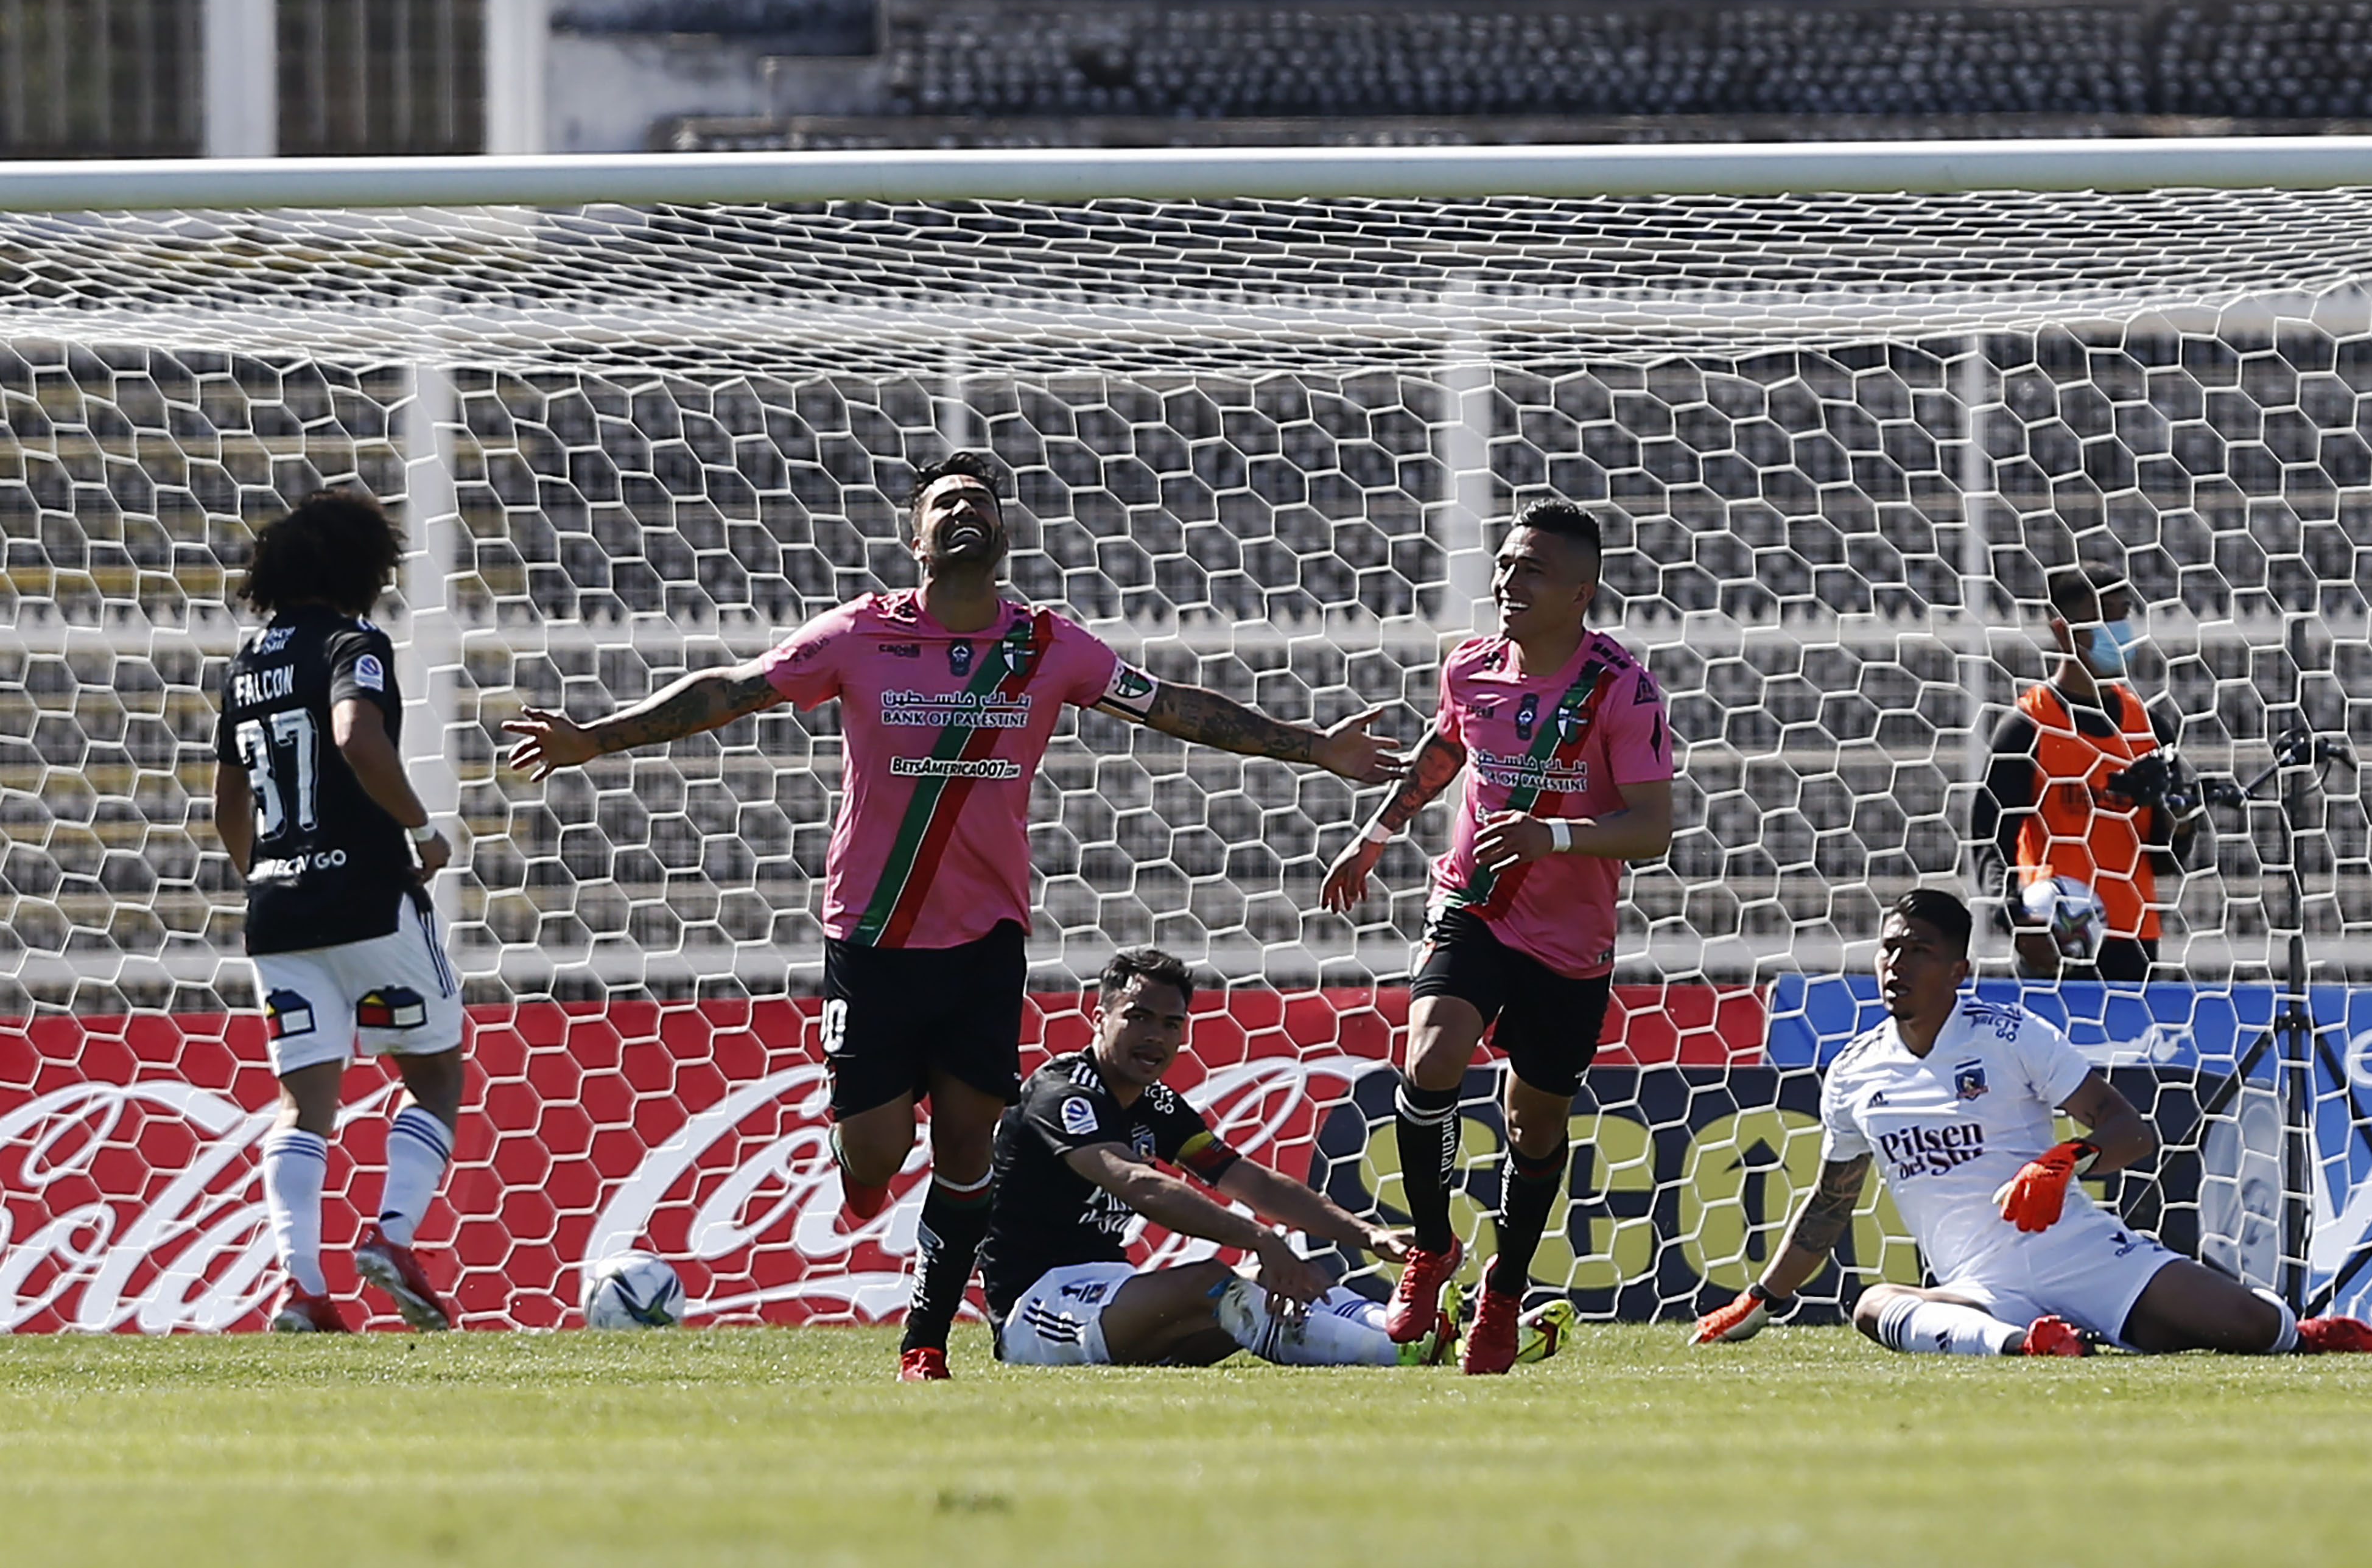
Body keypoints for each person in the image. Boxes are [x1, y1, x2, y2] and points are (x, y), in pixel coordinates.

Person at [504, 452, 1400, 1381]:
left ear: (1005, 537)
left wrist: (1313, 747)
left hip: (985, 937)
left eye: (981, 501)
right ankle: (857, 1143)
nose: (965, 510)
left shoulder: (1051, 645)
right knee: (875, 1158)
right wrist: (593, 739)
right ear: (915, 538)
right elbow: (733, 689)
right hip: (873, 934)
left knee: (969, 1141)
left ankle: (924, 1342)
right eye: (945, 502)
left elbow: (1171, 706)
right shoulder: (860, 634)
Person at [1691, 888, 2372, 1357]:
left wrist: (2063, 1161)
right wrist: (1761, 1297)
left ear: (1958, 970)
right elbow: (1830, 1201)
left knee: (2253, 1328)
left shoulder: (2010, 1033)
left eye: (1918, 951)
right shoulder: (1853, 1071)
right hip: (1979, 1285)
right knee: (1873, 1304)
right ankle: (2024, 1345)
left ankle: (2301, 1333)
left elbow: (2128, 1128)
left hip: (2083, 1252)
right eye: (1888, 948)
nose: (1894, 964)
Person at [1319, 498, 1674, 1373]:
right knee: (1430, 1057)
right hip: (1474, 904)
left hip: (1570, 939)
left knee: (1535, 1121)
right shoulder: (1470, 667)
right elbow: (1448, 751)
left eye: (1534, 570)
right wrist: (1376, 834)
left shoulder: (1621, 689)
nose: (1509, 581)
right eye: (1508, 564)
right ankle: (1432, 1247)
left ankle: (1505, 1290)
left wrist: (1555, 834)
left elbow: (1653, 828)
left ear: (1582, 591)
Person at [981, 946, 1576, 1370]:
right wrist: (1260, 1238)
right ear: (1099, 1017)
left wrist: (1370, 1236)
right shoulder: (1063, 1092)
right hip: (1039, 1309)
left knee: (1264, 1287)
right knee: (1220, 1282)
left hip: (1113, 1291)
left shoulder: (1156, 1102)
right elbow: (1138, 1183)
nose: (1154, 1036)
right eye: (1136, 1017)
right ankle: (1406, 1351)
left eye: (1170, 1022)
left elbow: (1248, 1179)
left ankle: (1415, 1330)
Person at [209, 488, 464, 1334]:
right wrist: (421, 827)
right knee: (432, 1074)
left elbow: (227, 808)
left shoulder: (245, 664)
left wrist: (277, 875)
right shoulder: (353, 643)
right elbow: (356, 737)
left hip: (277, 914)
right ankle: (391, 1238)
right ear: (360, 568)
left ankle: (301, 1288)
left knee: (304, 1104)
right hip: (367, 901)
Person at [1973, 561, 2202, 982]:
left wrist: (2179, 817)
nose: (2120, 630)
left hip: (2133, 940)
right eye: (2106, 617)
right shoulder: (2028, 728)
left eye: (2124, 615)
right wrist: (2016, 919)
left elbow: (2166, 860)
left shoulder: (2151, 729)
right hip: (2054, 939)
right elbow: (1988, 839)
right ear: (2063, 631)